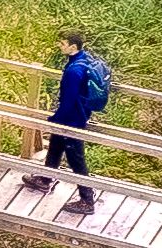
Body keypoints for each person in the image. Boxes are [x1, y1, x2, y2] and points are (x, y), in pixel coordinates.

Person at [31, 31, 112, 214]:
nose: (60, 46)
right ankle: (45, 178)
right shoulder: (84, 59)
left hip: (72, 119)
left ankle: (87, 200)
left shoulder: (74, 71)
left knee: (76, 158)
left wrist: (56, 118)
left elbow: (69, 99)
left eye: (62, 43)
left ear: (72, 47)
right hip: (79, 113)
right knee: (56, 145)